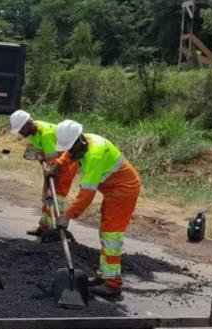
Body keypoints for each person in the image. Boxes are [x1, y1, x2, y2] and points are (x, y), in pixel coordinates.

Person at [46, 120, 142, 297]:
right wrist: (58, 164)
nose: (70, 152)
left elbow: (86, 195)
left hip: (123, 191)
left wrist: (67, 215)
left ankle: (113, 284)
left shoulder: (94, 155)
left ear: (79, 141)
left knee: (111, 235)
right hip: (113, 188)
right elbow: (70, 155)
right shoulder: (82, 143)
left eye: (71, 148)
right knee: (106, 233)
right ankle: (105, 275)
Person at [9, 110, 79, 236]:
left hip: (65, 166)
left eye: (21, 130)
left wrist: (48, 179)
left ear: (28, 123)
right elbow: (44, 154)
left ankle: (55, 231)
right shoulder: (35, 133)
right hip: (53, 165)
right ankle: (44, 227)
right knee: (47, 197)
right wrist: (41, 157)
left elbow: (54, 159)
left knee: (56, 197)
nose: (21, 133)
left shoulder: (46, 133)